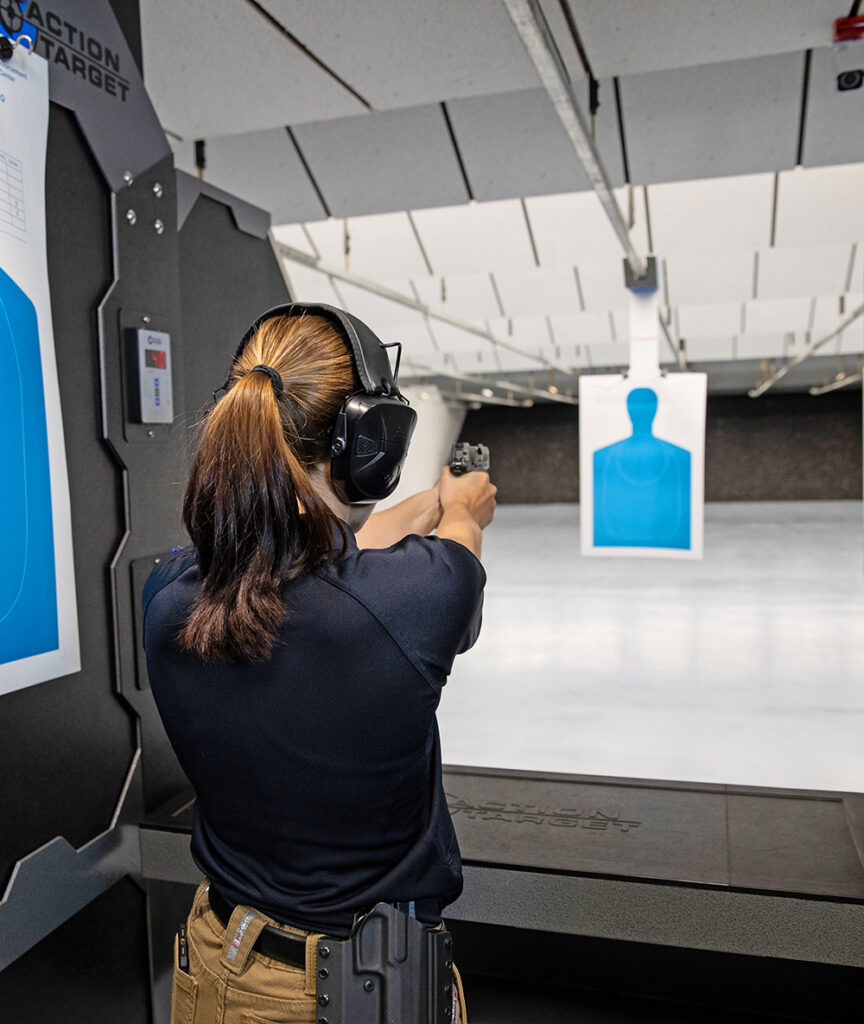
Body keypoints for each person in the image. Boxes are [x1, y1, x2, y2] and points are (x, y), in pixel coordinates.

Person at [142, 305, 496, 1024]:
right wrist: (460, 505)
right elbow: (458, 548)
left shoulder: (168, 591)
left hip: (213, 963)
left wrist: (429, 500)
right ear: (369, 445)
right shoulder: (420, 599)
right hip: (349, 993)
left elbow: (319, 556)